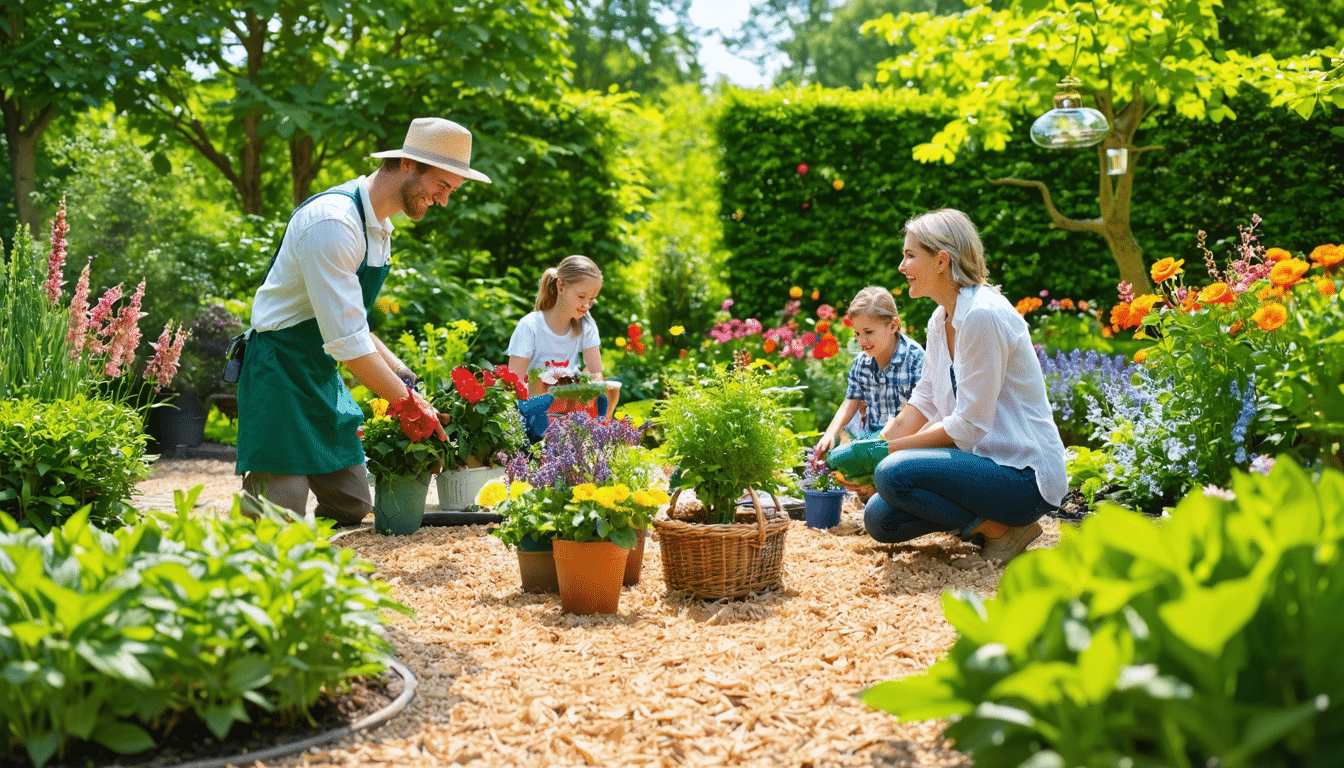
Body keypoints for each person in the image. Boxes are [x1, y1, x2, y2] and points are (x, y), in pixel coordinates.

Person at [236, 117, 491, 524]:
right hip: (280, 370)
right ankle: (256, 570)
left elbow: (354, 327)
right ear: (408, 164)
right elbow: (349, 343)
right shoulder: (334, 223)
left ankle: (315, 562)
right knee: (278, 511)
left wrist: (404, 376)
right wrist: (411, 406)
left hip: (319, 370)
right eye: (442, 187)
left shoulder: (379, 229)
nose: (443, 200)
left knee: (353, 503)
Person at [855, 208, 1066, 563]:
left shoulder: (983, 315)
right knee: (880, 519)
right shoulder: (941, 319)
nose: (901, 267)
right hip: (982, 465)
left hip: (1023, 477)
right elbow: (922, 401)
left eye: (910, 256)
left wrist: (888, 454)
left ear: (941, 261)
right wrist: (870, 453)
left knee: (893, 473)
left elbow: (969, 425)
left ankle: (1003, 531)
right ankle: (987, 523)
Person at [814, 286, 925, 459]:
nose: (861, 340)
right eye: (857, 333)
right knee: (835, 459)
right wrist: (830, 433)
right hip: (871, 438)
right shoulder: (862, 362)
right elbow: (850, 401)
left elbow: (923, 411)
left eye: (869, 332)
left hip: (906, 441)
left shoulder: (914, 358)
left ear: (893, 325)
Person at [506, 255, 616, 423]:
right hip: (536, 406)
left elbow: (596, 373)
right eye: (581, 297)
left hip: (572, 406)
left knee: (609, 391)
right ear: (561, 287)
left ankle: (601, 426)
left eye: (592, 299)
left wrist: (590, 385)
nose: (586, 305)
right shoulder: (530, 326)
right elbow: (514, 383)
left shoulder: (587, 326)